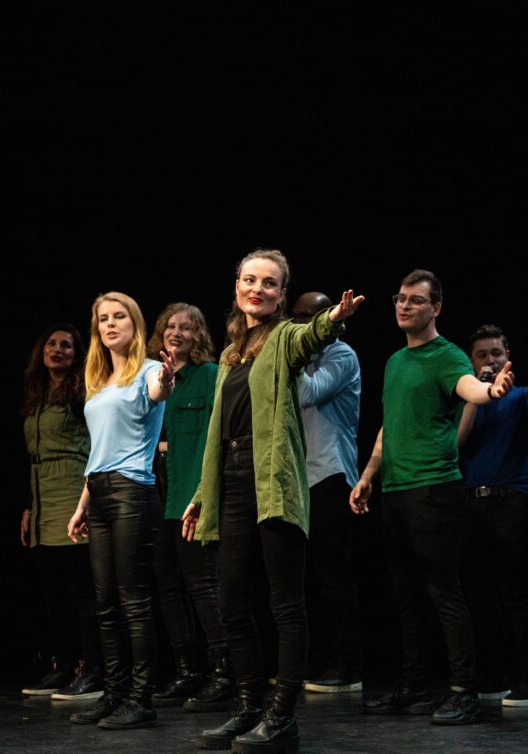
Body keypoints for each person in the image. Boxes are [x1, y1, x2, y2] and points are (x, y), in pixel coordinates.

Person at [181, 249, 364, 752]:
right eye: (249, 280)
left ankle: (282, 715)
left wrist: (333, 318)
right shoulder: (230, 355)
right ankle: (248, 708)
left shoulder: (284, 338)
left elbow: (310, 337)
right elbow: (218, 430)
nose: (257, 289)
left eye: (268, 283)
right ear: (236, 286)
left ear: (282, 294)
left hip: (272, 479)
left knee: (286, 603)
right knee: (231, 602)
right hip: (231, 478)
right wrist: (201, 494)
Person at [350, 269, 515, 727]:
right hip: (395, 490)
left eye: (416, 300)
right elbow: (390, 426)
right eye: (400, 298)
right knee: (405, 596)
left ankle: (464, 690)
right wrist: (368, 476)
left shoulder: (448, 356)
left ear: (436, 308)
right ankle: (413, 687)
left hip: (433, 490)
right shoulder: (394, 362)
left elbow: (468, 387)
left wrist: (490, 390)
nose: (405, 306)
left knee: (444, 592)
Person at [66, 292, 176, 730]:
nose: (110, 324)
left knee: (133, 599)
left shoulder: (148, 371)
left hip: (132, 492)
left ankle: (140, 699)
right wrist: (82, 505)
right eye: (103, 319)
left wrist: (167, 378)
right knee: (105, 602)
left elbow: (159, 392)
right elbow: (99, 450)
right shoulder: (99, 381)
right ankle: (113, 695)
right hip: (99, 492)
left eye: (119, 317)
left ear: (135, 324)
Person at [457, 324, 528, 707]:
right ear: (471, 362)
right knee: (480, 595)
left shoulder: (523, 394)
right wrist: (477, 393)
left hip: (513, 501)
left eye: (496, 353)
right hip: (472, 503)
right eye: (481, 355)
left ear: (508, 357)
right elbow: (456, 441)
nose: (490, 361)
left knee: (514, 592)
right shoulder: (467, 400)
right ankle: (492, 679)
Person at [146, 303, 235, 711]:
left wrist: (206, 492)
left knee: (202, 584)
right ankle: (188, 672)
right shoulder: (157, 379)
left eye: (186, 327)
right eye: (170, 326)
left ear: (199, 335)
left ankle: (224, 673)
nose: (176, 332)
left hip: (193, 495)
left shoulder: (210, 375)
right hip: (161, 496)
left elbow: (220, 433)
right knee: (167, 585)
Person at [19, 324, 102, 701]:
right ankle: (63, 665)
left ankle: (92, 669)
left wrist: (87, 500)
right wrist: (28, 506)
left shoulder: (83, 392)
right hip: (42, 497)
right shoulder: (36, 395)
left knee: (81, 589)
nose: (57, 350)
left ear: (76, 353)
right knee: (53, 593)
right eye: (51, 344)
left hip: (71, 488)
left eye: (66, 345)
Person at [291, 291, 363, 694]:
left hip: (331, 474)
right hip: (299, 478)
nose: (303, 324)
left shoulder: (341, 354)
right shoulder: (302, 356)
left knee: (334, 575)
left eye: (312, 316)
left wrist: (289, 357)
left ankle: (347, 664)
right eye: (298, 317)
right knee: (306, 578)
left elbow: (307, 393)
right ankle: (315, 660)